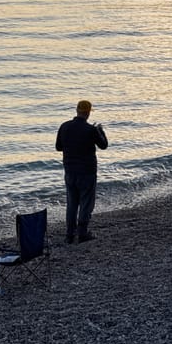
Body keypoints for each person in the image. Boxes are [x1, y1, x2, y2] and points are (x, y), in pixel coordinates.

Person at [56, 100, 108, 244]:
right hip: (87, 171)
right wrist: (101, 131)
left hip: (70, 170)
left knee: (72, 203)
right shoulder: (90, 130)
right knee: (86, 202)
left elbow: (58, 147)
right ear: (88, 112)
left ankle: (69, 235)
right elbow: (103, 145)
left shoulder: (64, 126)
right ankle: (83, 233)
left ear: (77, 110)